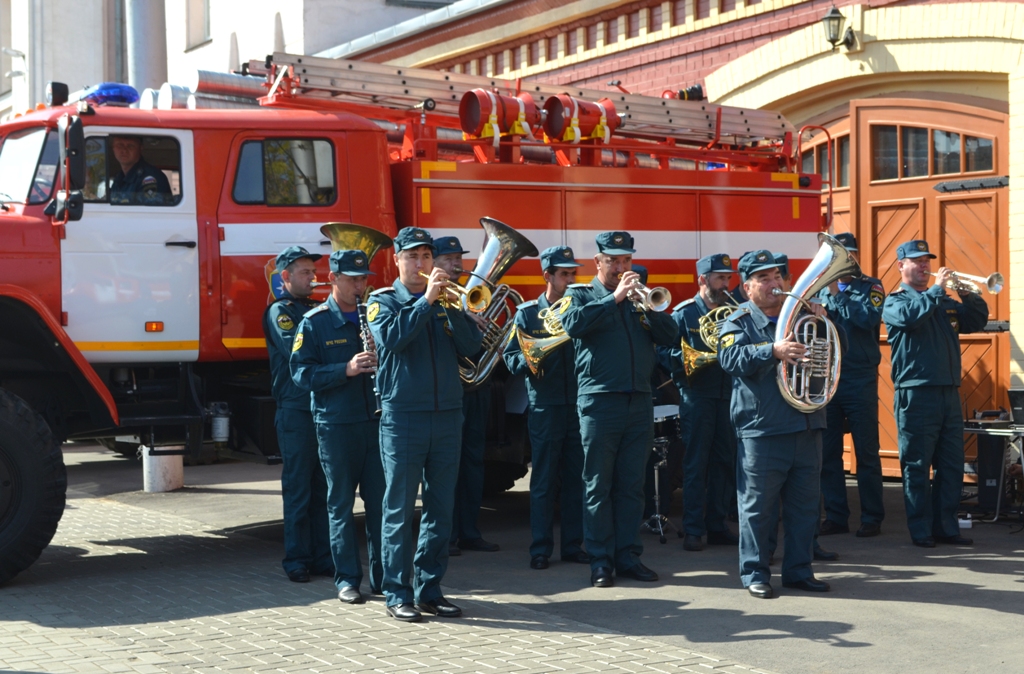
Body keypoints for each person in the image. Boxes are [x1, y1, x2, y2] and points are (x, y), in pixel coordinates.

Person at [366, 227, 483, 622]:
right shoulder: (381, 301)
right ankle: (397, 592)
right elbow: (393, 339)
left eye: (426, 257)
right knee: (398, 508)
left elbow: (470, 347)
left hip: (448, 413)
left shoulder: (447, 301)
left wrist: (456, 312)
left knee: (440, 508)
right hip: (403, 417)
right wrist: (427, 301)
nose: (421, 264)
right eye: (412, 257)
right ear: (396, 261)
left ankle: (429, 588)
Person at [560, 231, 678, 588]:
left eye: (626, 260)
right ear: (598, 262)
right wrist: (614, 298)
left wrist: (650, 308)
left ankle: (628, 557)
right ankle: (600, 561)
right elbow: (572, 325)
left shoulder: (641, 300)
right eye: (613, 260)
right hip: (599, 401)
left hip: (639, 400)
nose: (621, 266)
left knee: (631, 486)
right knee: (598, 485)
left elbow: (670, 336)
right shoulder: (578, 294)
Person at [718, 249, 830, 599]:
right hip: (763, 429)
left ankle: (799, 570)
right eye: (764, 278)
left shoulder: (800, 317)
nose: (775, 283)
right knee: (757, 508)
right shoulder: (738, 320)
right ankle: (754, 572)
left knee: (804, 507)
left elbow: (827, 360)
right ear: (747, 288)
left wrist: (823, 322)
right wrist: (771, 350)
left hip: (806, 425)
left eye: (778, 276)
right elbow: (729, 358)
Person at [290, 249, 384, 605]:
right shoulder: (314, 322)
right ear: (333, 279)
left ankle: (383, 577)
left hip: (374, 423)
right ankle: (346, 578)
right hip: (336, 425)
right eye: (353, 279)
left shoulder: (374, 317)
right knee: (340, 504)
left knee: (380, 504)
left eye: (364, 279)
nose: (360, 286)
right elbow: (300, 374)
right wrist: (344, 369)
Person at [882, 240, 989, 548]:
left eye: (927, 260)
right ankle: (920, 529)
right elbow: (910, 319)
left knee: (951, 463)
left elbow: (975, 321)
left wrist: (968, 294)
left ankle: (946, 526)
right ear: (901, 265)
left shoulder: (941, 300)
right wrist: (936, 290)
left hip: (948, 393)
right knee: (917, 464)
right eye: (916, 261)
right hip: (916, 394)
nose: (925, 266)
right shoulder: (896, 302)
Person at [503, 246, 588, 570]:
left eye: (572, 273)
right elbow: (510, 359)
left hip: (576, 404)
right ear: (547, 276)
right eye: (564, 274)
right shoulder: (526, 314)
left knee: (575, 479)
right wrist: (531, 358)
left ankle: (572, 545)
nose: (570, 279)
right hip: (544, 406)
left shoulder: (579, 310)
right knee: (543, 480)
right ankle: (540, 548)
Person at [262, 245, 331, 583]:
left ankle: (322, 557)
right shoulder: (281, 311)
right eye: (304, 272)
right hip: (296, 409)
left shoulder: (316, 309)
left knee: (322, 488)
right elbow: (299, 348)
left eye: (312, 271)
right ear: (286, 277)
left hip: (320, 407)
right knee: (299, 487)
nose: (312, 277)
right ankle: (296, 559)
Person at [431, 236, 500, 556]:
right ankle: (444, 535)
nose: (456, 264)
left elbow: (483, 340)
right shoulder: (430, 298)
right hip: (448, 390)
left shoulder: (474, 293)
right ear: (432, 263)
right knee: (445, 466)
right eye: (448, 259)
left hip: (477, 387)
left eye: (458, 258)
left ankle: (470, 531)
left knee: (474, 461)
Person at [817, 232, 886, 538]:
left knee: (867, 451)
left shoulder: (871, 287)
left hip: (858, 378)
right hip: (828, 378)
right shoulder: (819, 291)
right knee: (828, 452)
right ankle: (836, 516)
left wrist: (837, 293)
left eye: (848, 256)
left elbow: (867, 319)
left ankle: (872, 516)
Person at [671, 253, 738, 552]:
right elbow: (663, 353)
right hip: (697, 394)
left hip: (728, 395)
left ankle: (717, 525)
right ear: (702, 280)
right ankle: (693, 528)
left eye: (728, 278)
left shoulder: (734, 312)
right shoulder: (683, 314)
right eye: (720, 278)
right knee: (696, 462)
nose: (727, 284)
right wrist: (689, 362)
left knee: (725, 461)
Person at [109, 135, 173, 205]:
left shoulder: (150, 178)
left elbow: (150, 213)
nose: (124, 150)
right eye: (120, 145)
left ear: (140, 148)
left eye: (130, 146)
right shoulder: (119, 179)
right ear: (113, 148)